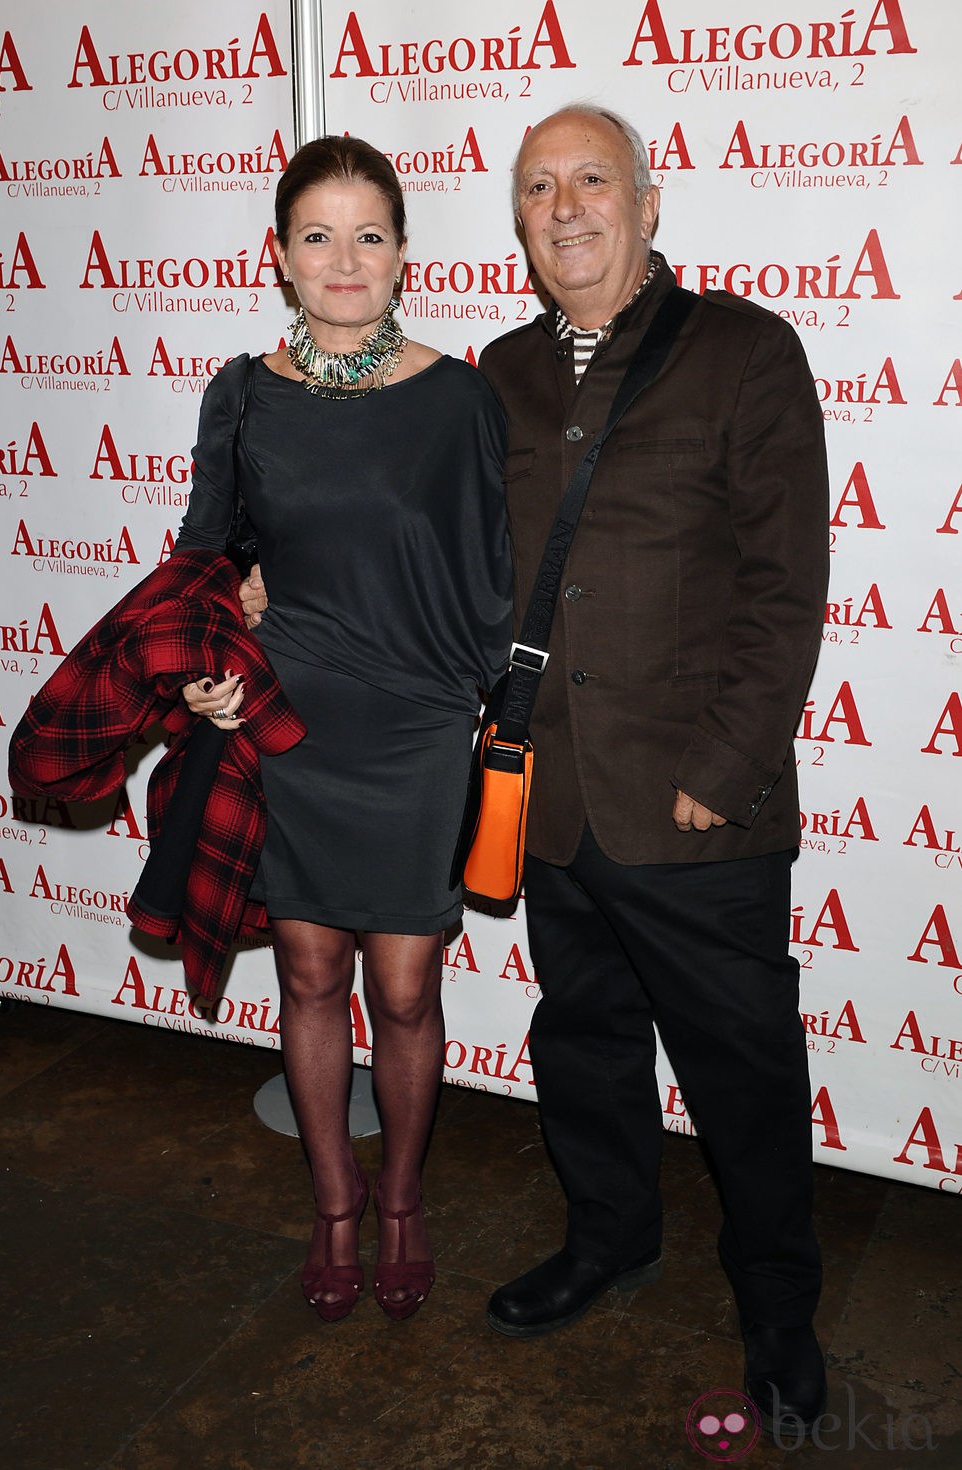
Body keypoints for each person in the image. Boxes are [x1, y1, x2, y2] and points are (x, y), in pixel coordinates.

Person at [473, 104, 831, 1436]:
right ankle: (610, 1235)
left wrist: (724, 765)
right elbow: (460, 565)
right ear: (519, 219)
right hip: (555, 799)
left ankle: (781, 1316)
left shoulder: (744, 351)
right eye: (539, 188)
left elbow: (787, 581)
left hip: (698, 808)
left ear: (648, 198)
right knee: (586, 1046)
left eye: (592, 180)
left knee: (744, 1074)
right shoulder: (499, 373)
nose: (567, 207)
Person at [178, 134, 512, 1323]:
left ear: (402, 255)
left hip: (419, 728)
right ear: (279, 255)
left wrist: (465, 716)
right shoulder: (244, 393)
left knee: (406, 989)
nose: (343, 257)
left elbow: (491, 581)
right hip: (290, 718)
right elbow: (203, 562)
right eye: (316, 234)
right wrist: (214, 667)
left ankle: (405, 1199)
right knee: (312, 974)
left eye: (367, 233)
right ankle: (332, 1205)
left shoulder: (455, 396)